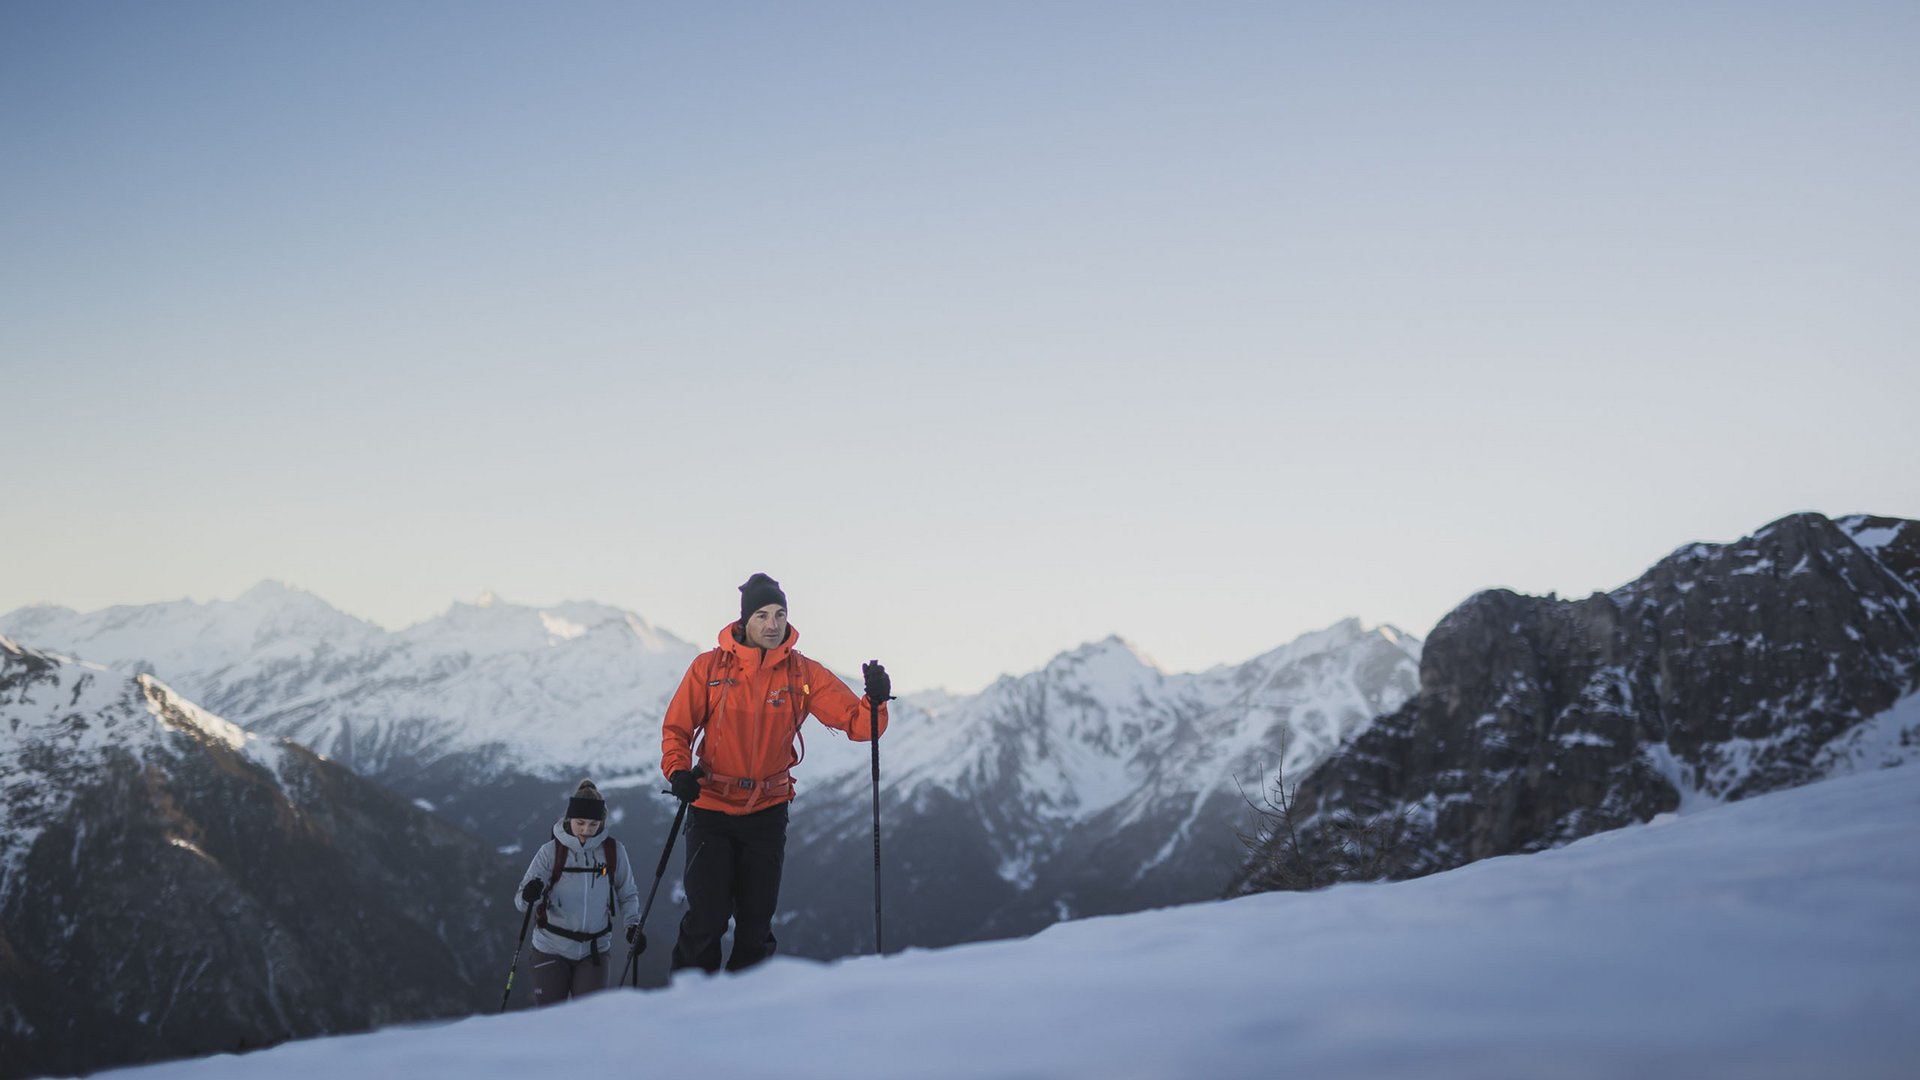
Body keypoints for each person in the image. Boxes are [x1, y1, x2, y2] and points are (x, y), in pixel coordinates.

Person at [661, 572, 891, 974]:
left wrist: (874, 699)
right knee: (706, 920)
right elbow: (676, 729)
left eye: (780, 614)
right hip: (710, 806)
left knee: (755, 925)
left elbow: (860, 726)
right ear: (744, 621)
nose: (772, 624)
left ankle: (751, 1018)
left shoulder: (802, 674)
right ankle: (689, 1015)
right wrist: (678, 770)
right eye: (763, 615)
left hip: (767, 812)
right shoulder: (709, 668)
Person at [513, 779, 641, 1004]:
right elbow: (521, 903)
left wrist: (632, 926)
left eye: (593, 824)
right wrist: (529, 895)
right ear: (569, 819)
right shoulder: (550, 852)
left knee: (590, 1024)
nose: (586, 830)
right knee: (552, 1022)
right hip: (551, 948)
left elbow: (627, 892)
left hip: (594, 951)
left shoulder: (613, 851)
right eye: (580, 823)